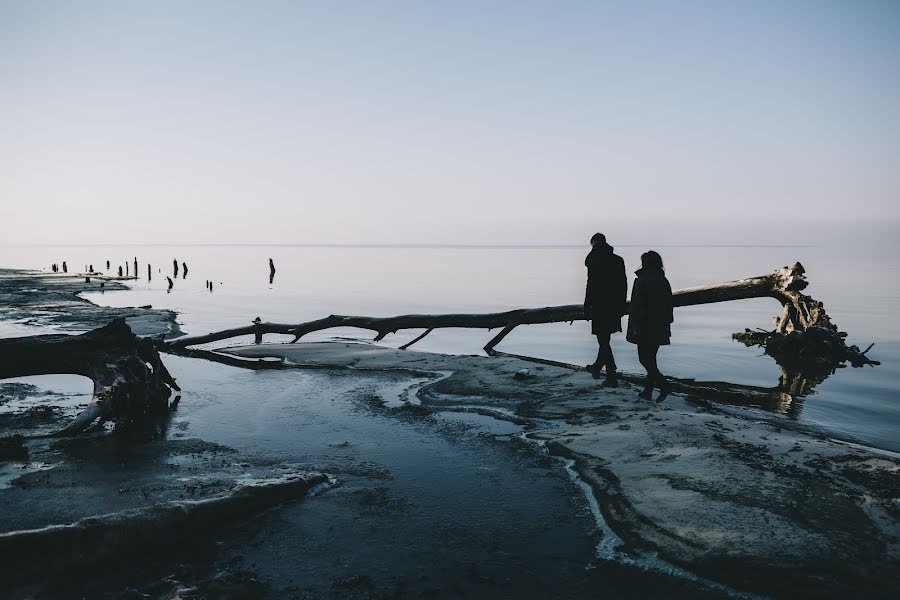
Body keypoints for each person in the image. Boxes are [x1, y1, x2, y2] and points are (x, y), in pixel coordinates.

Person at [626, 250, 673, 400]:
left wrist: (636, 326)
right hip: (660, 325)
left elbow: (637, 306)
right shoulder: (663, 280)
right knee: (651, 359)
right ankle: (647, 391)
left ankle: (663, 384)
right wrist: (668, 322)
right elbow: (669, 305)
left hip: (645, 326)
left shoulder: (642, 280)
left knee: (644, 359)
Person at [584, 233, 627, 387]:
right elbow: (624, 284)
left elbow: (591, 284)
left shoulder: (594, 259)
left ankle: (611, 375)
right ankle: (598, 367)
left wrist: (586, 305)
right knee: (605, 339)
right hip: (614, 305)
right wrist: (621, 304)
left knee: (603, 340)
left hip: (599, 305)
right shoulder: (617, 260)